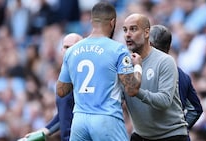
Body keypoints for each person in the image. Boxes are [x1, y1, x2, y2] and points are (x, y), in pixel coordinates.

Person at [56, 2, 142, 141]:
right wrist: (138, 66)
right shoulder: (118, 50)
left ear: (91, 21)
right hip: (106, 119)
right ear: (113, 22)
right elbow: (132, 89)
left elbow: (61, 91)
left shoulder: (72, 51)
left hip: (79, 121)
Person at [122, 13, 188, 141]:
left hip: (171, 135)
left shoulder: (165, 61)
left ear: (147, 33)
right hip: (141, 135)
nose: (128, 34)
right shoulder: (124, 64)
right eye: (125, 30)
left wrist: (136, 91)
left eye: (133, 29)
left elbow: (164, 101)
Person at [24, 33, 83, 141]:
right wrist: (45, 129)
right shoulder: (64, 77)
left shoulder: (85, 79)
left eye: (72, 47)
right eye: (65, 47)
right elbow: (65, 113)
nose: (67, 51)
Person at [149, 25, 203, 130]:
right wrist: (179, 131)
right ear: (169, 46)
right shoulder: (182, 75)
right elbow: (195, 110)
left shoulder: (144, 71)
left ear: (149, 44)